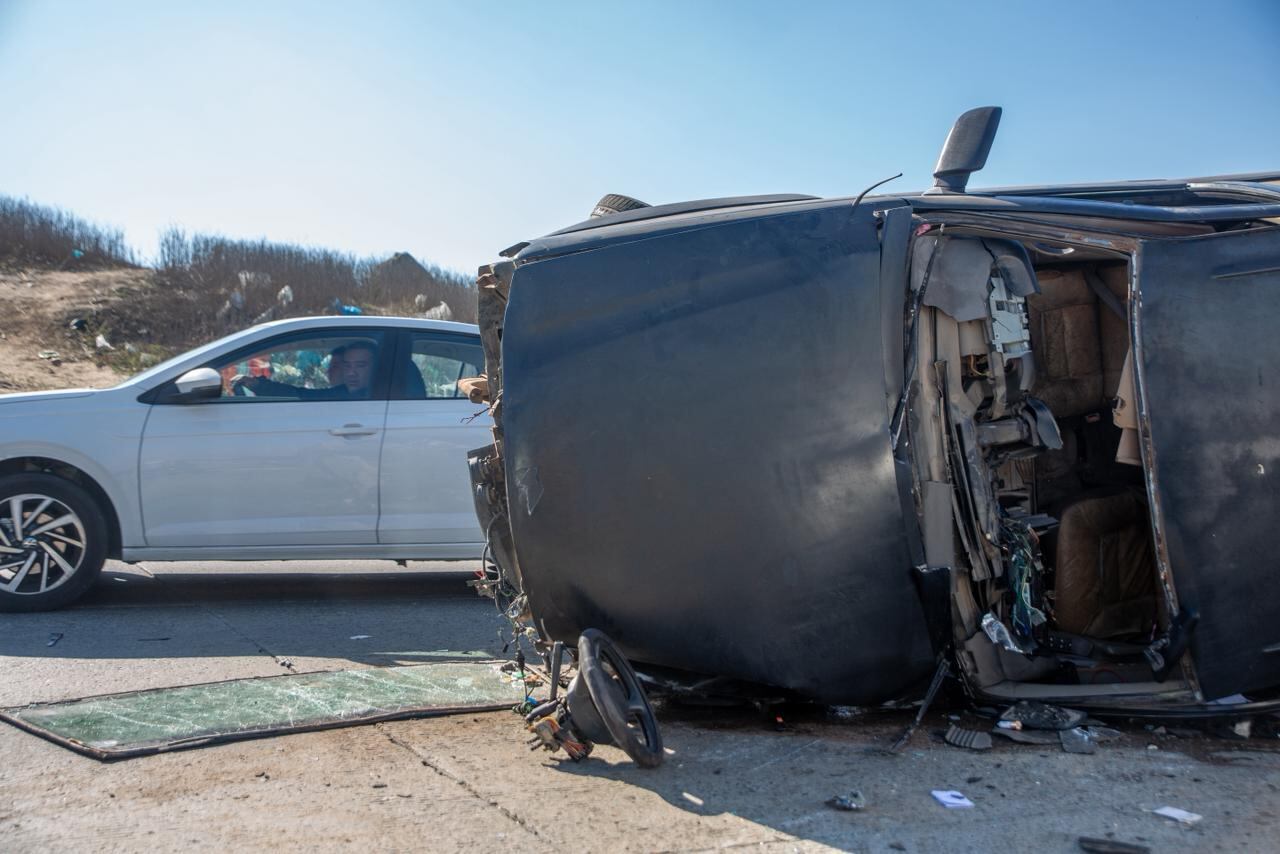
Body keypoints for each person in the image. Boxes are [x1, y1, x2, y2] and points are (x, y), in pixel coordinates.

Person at [233, 341, 377, 400]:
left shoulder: (375, 398)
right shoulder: (342, 393)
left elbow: (302, 395)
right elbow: (301, 395)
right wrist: (259, 385)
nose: (351, 372)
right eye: (347, 365)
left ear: (375, 367)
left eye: (360, 365)